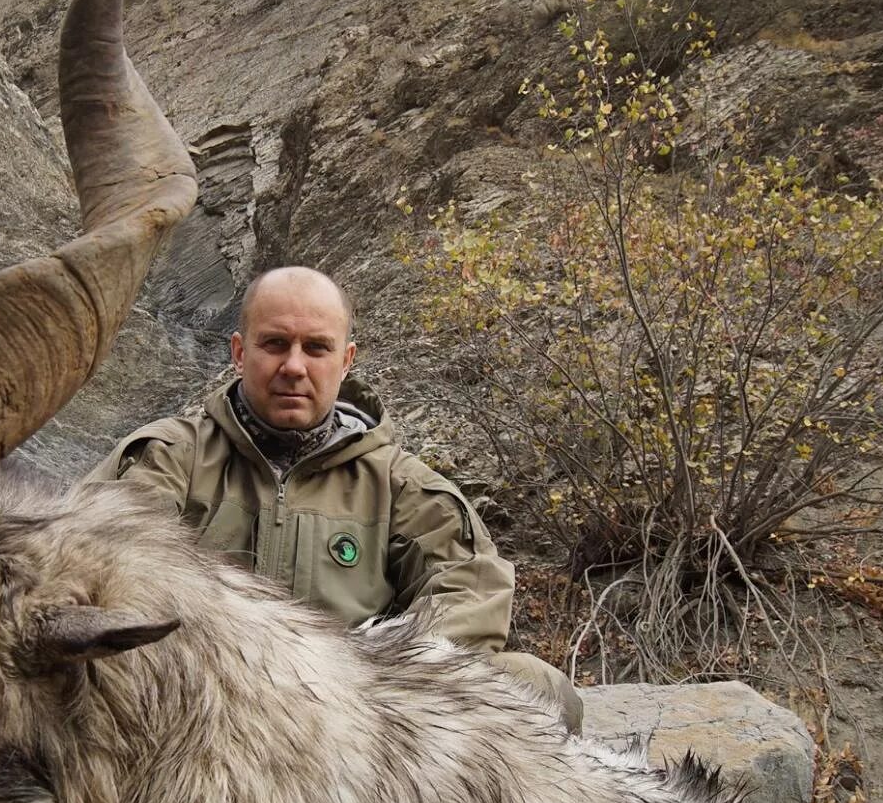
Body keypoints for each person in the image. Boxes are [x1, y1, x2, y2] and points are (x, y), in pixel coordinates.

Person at [84, 266, 584, 732]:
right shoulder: (168, 457)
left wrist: (369, 669)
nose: (294, 367)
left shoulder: (402, 485)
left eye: (316, 348)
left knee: (534, 686)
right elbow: (100, 564)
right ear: (239, 352)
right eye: (275, 343)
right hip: (199, 702)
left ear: (345, 360)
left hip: (358, 714)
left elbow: (470, 592)